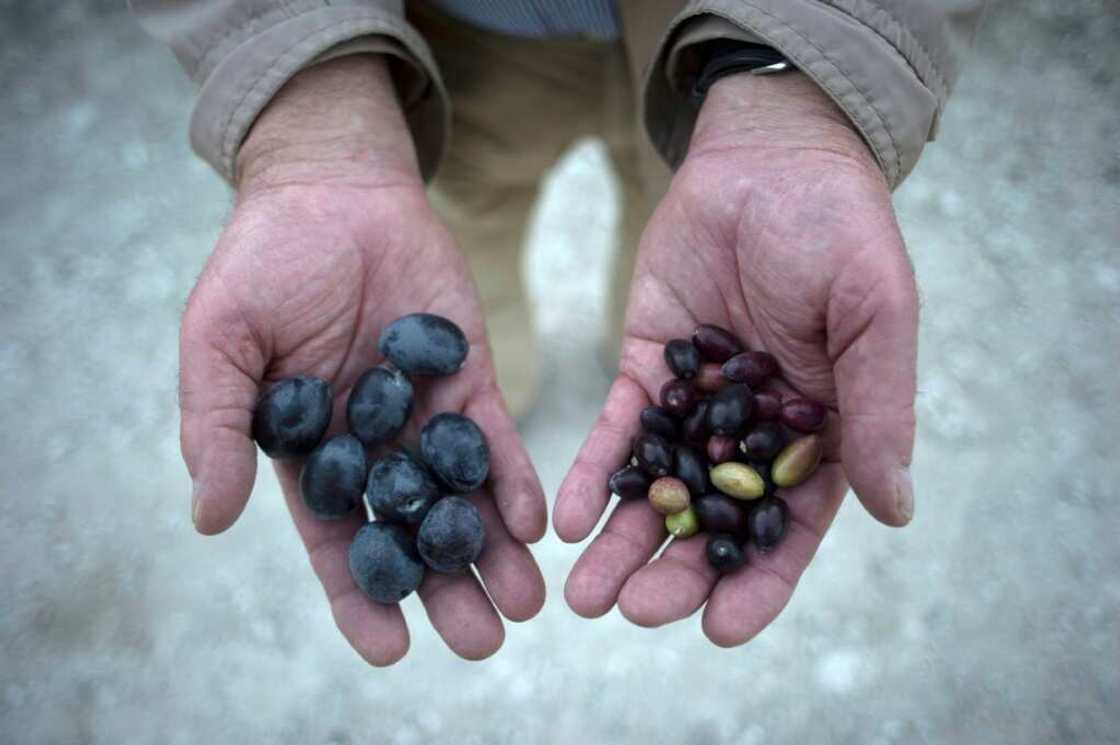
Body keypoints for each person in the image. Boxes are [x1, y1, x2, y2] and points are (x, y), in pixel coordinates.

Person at [134, 0, 984, 664]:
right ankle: (520, 377)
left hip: (735, 47)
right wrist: (309, 104)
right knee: (465, 253)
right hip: (451, 43)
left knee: (674, 275)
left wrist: (806, 74)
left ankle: (613, 345)